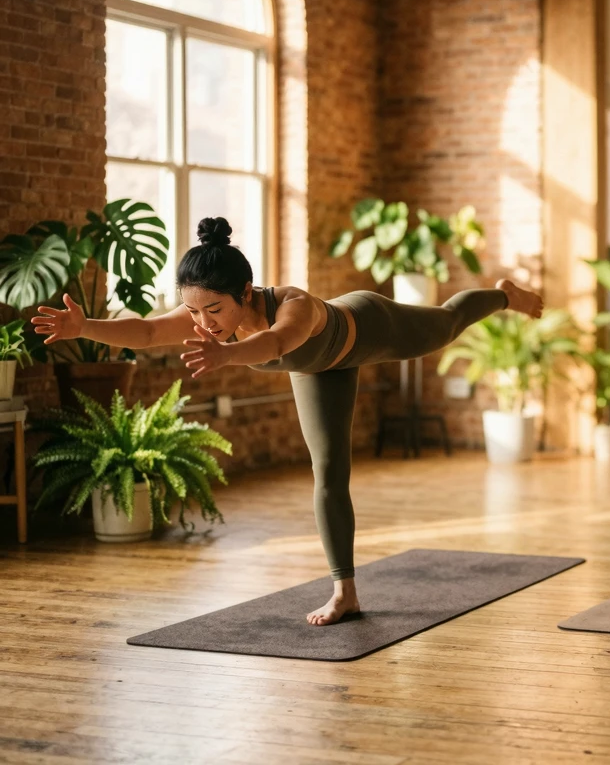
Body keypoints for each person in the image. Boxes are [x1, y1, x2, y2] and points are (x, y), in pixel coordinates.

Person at [32, 217, 543, 627]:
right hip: (319, 370)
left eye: (214, 310)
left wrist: (225, 356)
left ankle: (504, 296)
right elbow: (144, 332)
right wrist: (85, 326)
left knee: (449, 321)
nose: (204, 323)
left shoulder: (293, 306)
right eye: (193, 312)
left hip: (370, 326)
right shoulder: (205, 319)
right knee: (329, 474)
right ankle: (345, 591)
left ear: (247, 291)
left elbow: (276, 345)